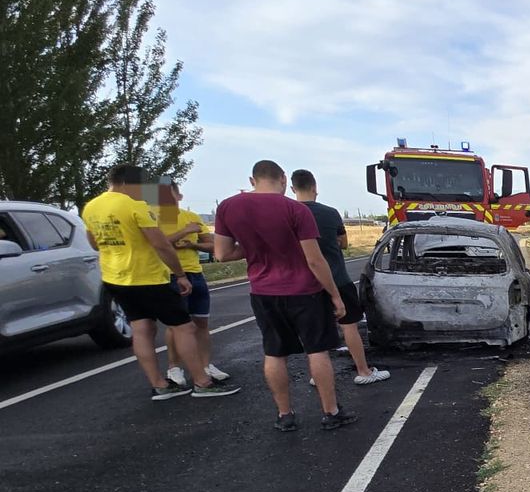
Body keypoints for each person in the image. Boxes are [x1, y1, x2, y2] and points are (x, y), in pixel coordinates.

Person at [212, 160, 356, 432]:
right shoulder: (295, 209)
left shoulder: (228, 207)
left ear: (253, 180)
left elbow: (222, 254)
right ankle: (330, 411)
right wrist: (335, 295)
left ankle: (285, 414)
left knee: (274, 352)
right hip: (305, 292)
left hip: (264, 292)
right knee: (317, 350)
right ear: (281, 180)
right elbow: (314, 260)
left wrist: (255, 248)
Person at [80, 165, 241, 401]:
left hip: (115, 277)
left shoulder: (92, 207)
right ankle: (202, 382)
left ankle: (160, 385)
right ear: (128, 183)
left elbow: (94, 244)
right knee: (183, 327)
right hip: (148, 276)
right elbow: (160, 245)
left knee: (141, 329)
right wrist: (180, 274)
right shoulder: (135, 206)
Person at [290, 169, 389, 385]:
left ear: (292, 188)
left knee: (315, 331)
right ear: (315, 187)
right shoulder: (330, 213)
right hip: (338, 279)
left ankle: (319, 375)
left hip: (306, 285)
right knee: (349, 325)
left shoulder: (288, 214)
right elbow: (343, 243)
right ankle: (363, 371)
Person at [156, 181, 229, 385]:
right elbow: (157, 244)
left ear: (179, 197)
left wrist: (194, 243)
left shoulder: (192, 217)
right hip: (170, 275)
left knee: (201, 323)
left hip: (195, 274)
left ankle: (206, 366)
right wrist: (185, 232)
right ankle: (174, 368)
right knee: (176, 325)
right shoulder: (153, 219)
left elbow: (211, 245)